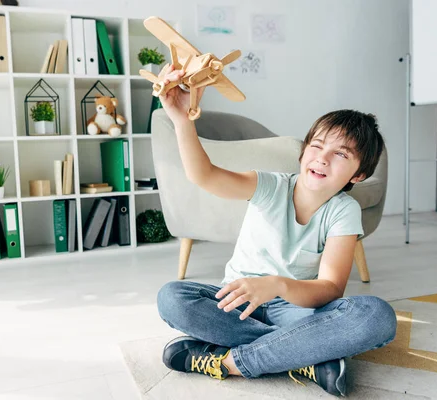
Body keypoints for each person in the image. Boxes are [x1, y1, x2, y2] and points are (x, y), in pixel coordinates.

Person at [156, 65, 397, 397]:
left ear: (358, 175)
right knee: (173, 297)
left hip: (295, 309)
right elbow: (205, 175)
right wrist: (182, 120)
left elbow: (329, 289)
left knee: (375, 316)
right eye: (317, 145)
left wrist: (277, 285)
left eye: (340, 154)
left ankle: (233, 362)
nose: (322, 158)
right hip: (236, 303)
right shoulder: (270, 185)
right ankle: (303, 356)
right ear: (304, 150)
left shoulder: (344, 211)